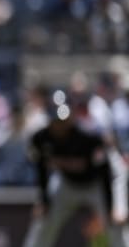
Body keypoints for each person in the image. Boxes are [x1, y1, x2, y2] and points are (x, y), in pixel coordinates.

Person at [22, 91, 129, 247]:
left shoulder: (88, 137)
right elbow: (42, 168)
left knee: (114, 224)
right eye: (56, 120)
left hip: (97, 184)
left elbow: (106, 171)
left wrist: (111, 207)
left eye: (62, 120)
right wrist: (44, 200)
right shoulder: (40, 139)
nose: (59, 125)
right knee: (44, 221)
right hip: (67, 183)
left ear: (71, 117)